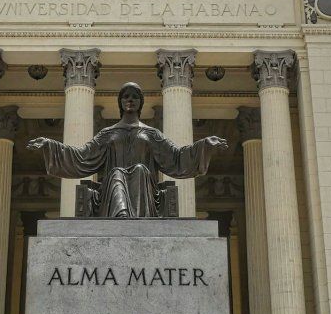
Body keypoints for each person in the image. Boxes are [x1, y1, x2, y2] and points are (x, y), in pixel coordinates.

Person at [27, 82, 228, 218]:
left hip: (145, 190)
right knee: (115, 173)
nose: (129, 100)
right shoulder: (108, 133)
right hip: (110, 191)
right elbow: (82, 157)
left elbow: (176, 158)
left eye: (134, 97)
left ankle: (134, 222)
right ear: (120, 102)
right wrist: (50, 146)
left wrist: (204, 145)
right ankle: (120, 215)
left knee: (140, 169)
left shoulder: (152, 134)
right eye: (125, 97)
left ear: (140, 102)